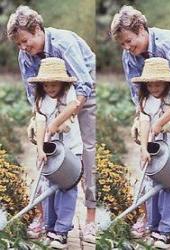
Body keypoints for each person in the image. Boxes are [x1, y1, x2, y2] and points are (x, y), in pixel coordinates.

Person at [110, 6, 170, 243]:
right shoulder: (129, 54)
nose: (127, 48)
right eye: (122, 44)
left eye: (129, 41)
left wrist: (160, 122)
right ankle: (149, 219)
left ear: (141, 29)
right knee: (153, 166)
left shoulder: (168, 43)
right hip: (154, 99)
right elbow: (137, 94)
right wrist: (140, 122)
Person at [6, 6, 96, 243]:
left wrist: (56, 122)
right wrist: (38, 126)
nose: (23, 47)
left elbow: (84, 88)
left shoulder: (63, 43)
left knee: (85, 153)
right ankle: (43, 217)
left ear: (37, 30)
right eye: (18, 44)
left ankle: (89, 219)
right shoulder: (25, 54)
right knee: (46, 161)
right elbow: (32, 95)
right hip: (48, 98)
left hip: (81, 91)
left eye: (25, 41)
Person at [131, 57, 170, 249]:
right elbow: (145, 122)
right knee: (152, 188)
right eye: (150, 84)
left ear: (166, 82)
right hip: (155, 151)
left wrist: (160, 123)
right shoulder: (145, 100)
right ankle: (153, 227)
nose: (154, 87)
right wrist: (144, 148)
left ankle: (166, 231)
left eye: (158, 83)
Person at [28, 57, 83, 249]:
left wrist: (56, 123)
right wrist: (41, 149)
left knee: (66, 189)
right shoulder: (41, 100)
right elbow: (41, 123)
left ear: (62, 82)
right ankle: (49, 227)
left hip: (71, 151)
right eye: (46, 84)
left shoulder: (69, 94)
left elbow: (74, 106)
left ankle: (61, 231)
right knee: (48, 188)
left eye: (54, 84)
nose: (50, 88)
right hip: (51, 152)